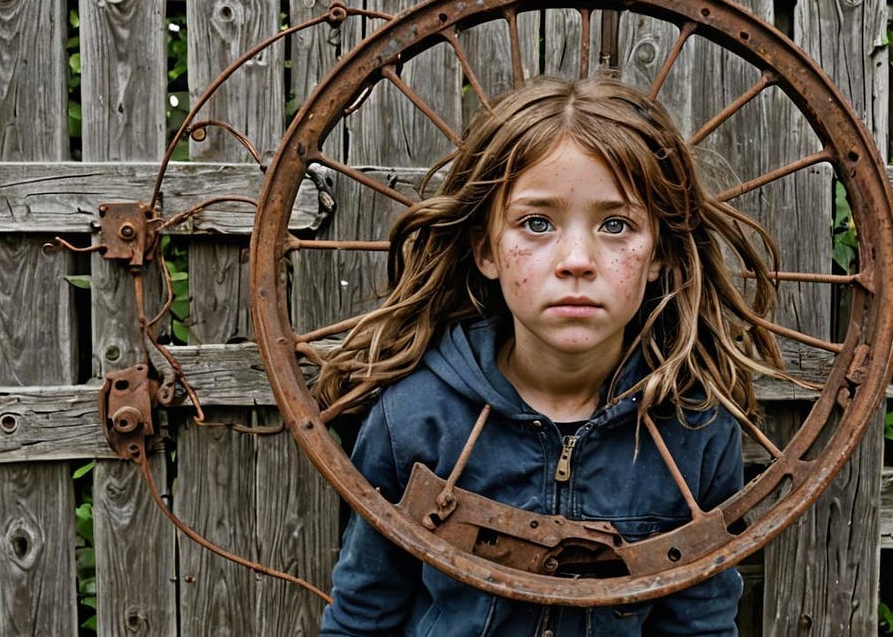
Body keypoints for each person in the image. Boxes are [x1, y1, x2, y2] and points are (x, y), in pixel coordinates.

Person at [315, 75, 783, 636]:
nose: (577, 260)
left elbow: (699, 628)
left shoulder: (693, 427)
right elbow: (362, 621)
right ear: (487, 250)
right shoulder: (414, 418)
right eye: (537, 223)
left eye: (616, 225)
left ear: (659, 253)